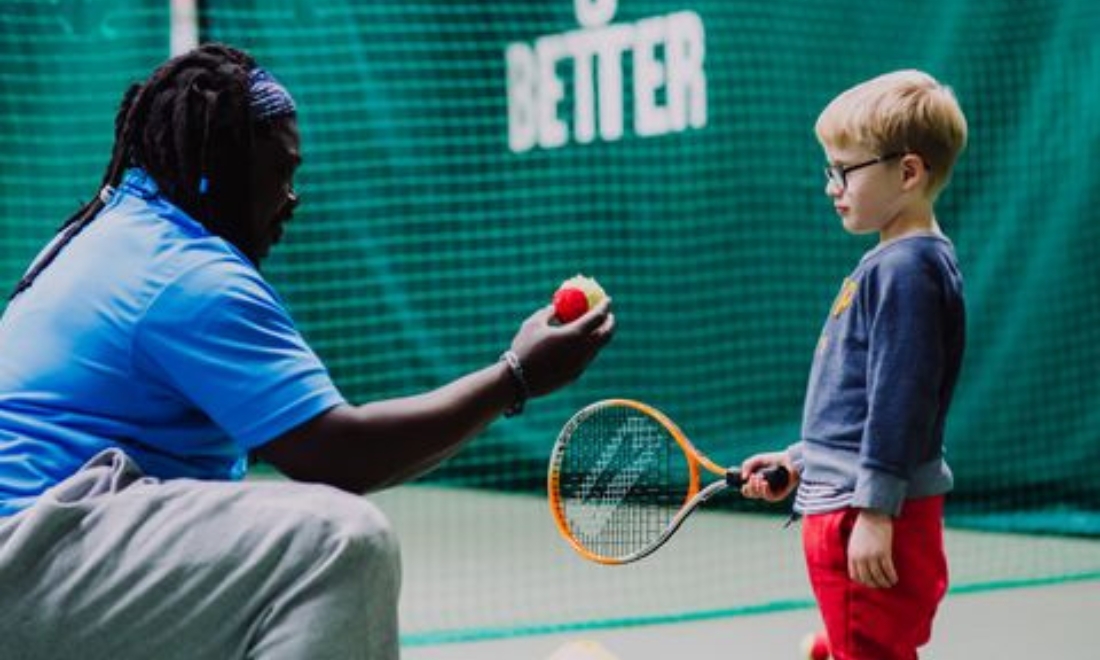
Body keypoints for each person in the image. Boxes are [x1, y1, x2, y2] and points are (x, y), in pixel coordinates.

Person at [0, 43, 614, 659]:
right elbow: (341, 456)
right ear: (222, 173)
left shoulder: (113, 234)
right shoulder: (185, 274)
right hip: (29, 558)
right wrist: (517, 376)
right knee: (337, 542)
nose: (292, 200)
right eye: (282, 173)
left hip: (50, 557)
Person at [739, 70, 968, 660]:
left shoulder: (907, 270)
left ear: (908, 172)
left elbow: (901, 400)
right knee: (863, 643)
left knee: (871, 647)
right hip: (845, 498)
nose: (831, 186)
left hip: (861, 514)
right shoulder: (890, 262)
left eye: (845, 170)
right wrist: (801, 461)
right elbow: (857, 400)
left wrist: (874, 510)